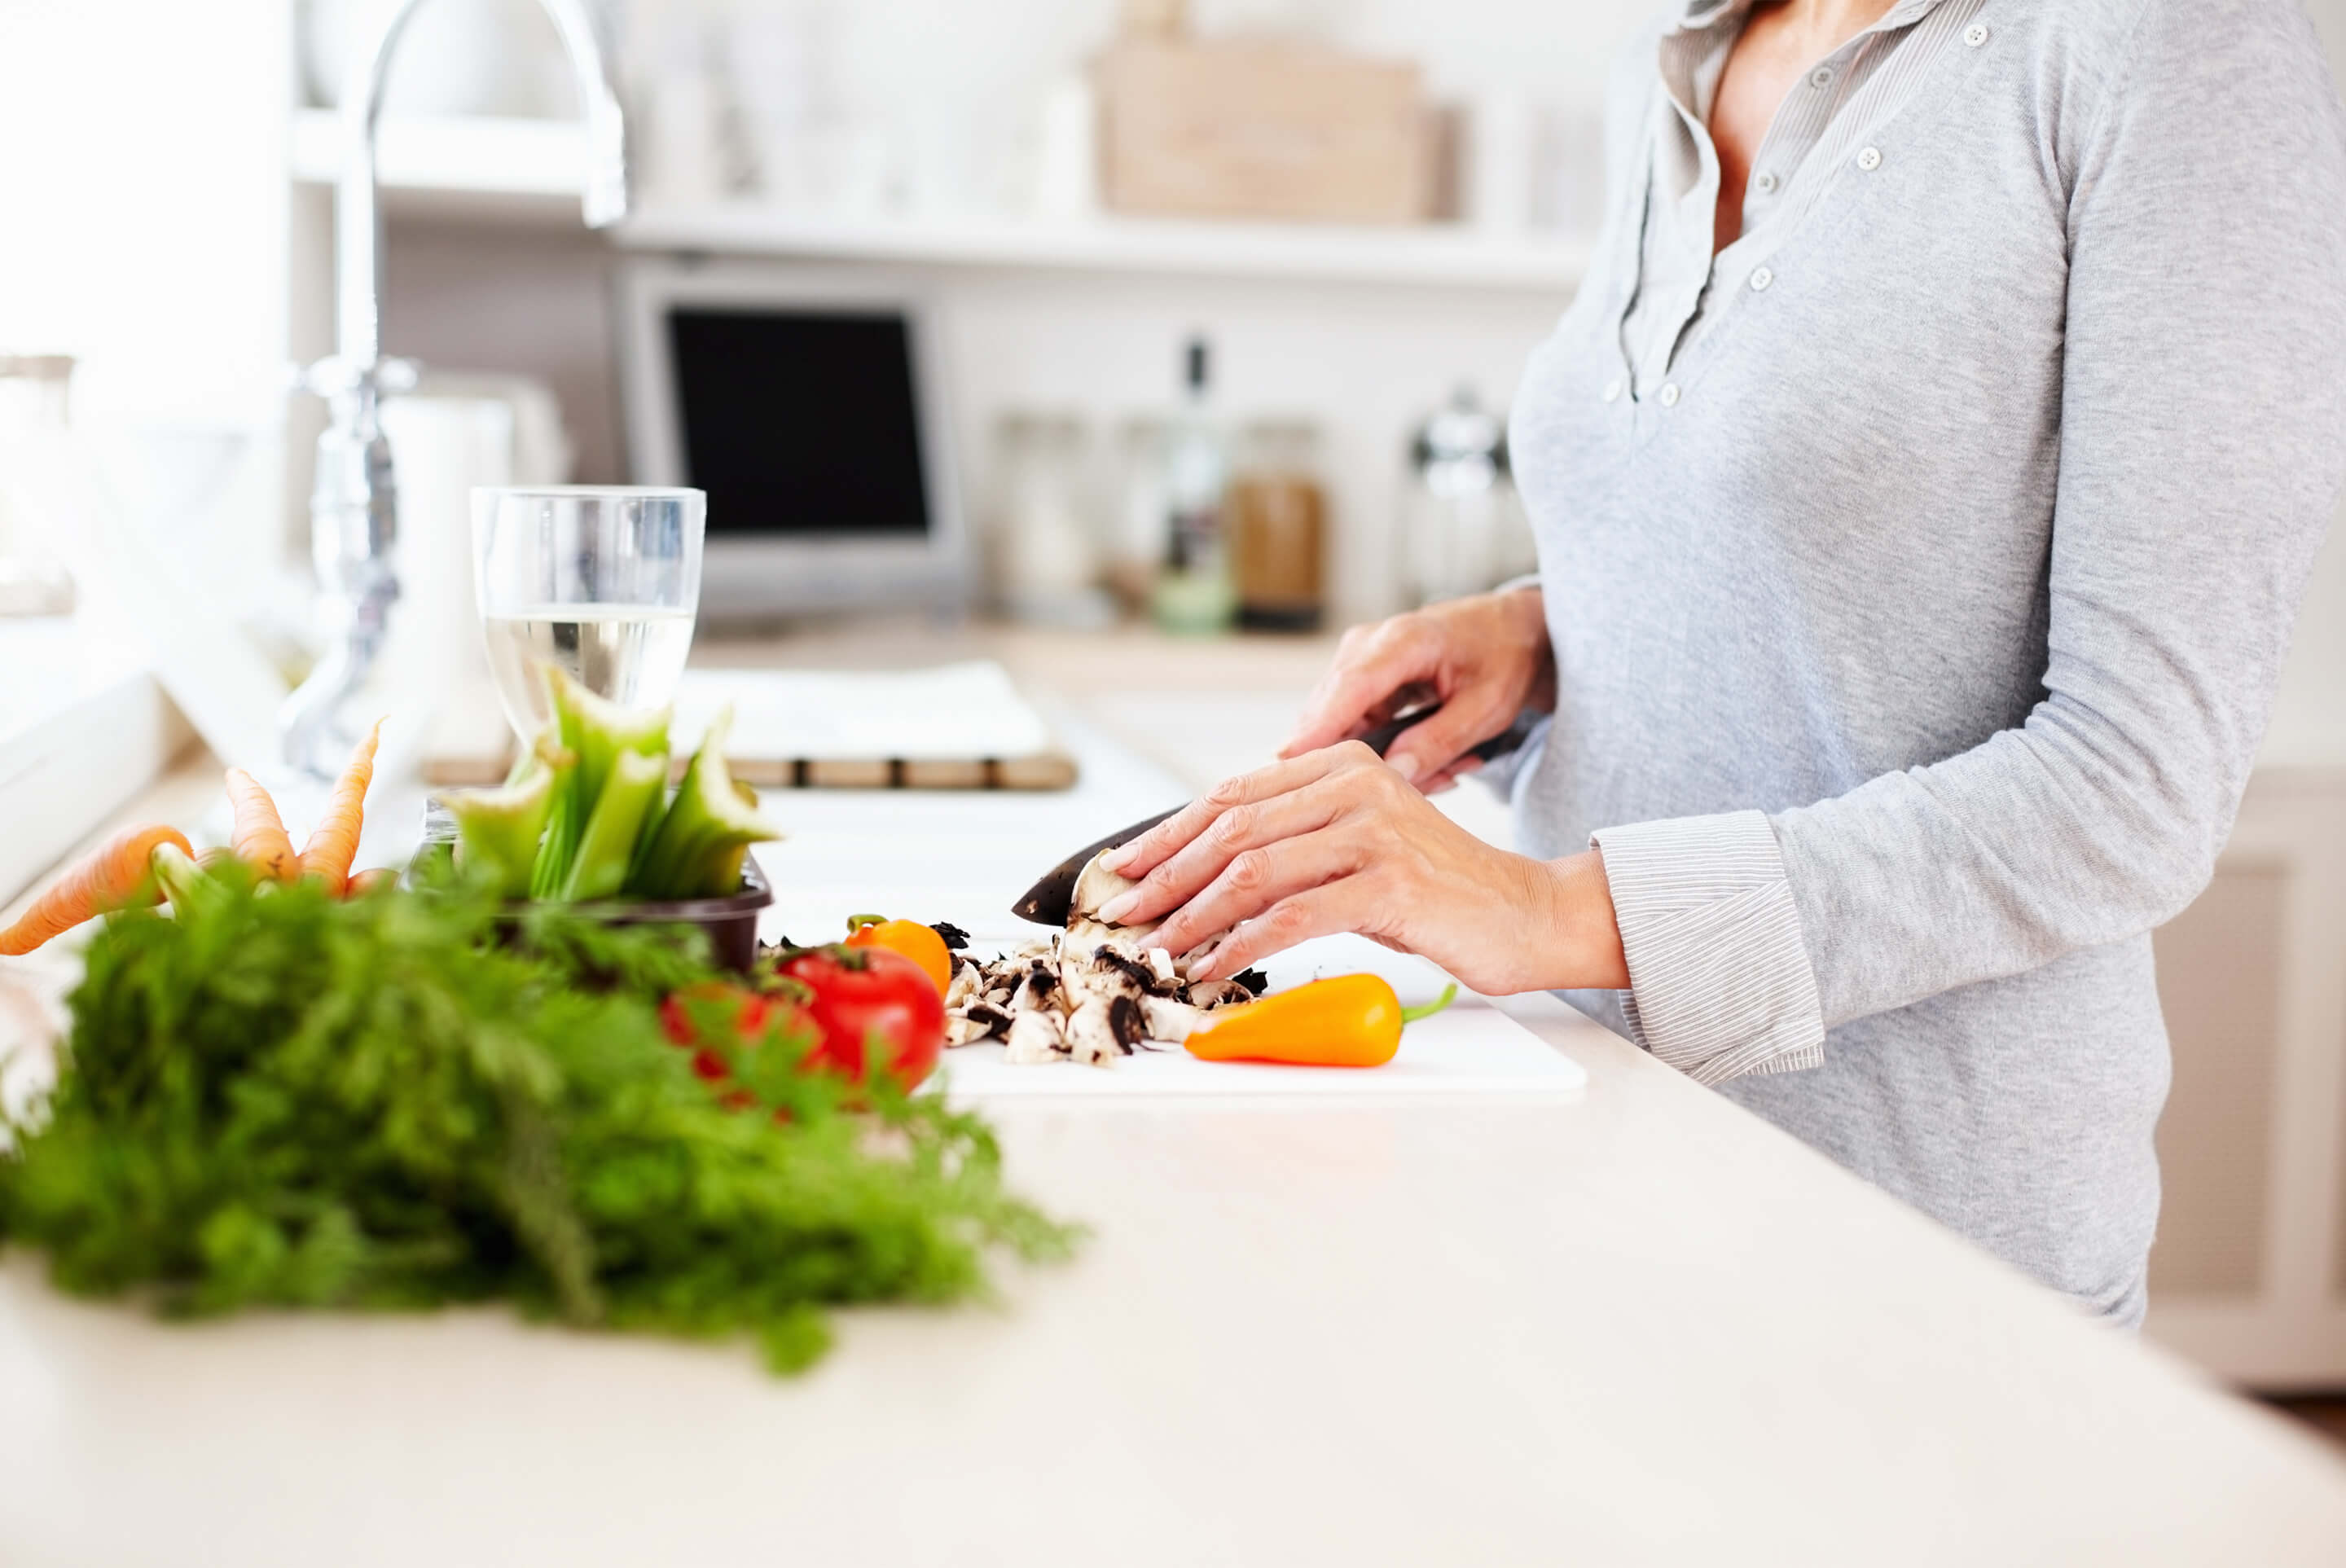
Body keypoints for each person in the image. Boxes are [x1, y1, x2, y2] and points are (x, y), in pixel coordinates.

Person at [1094, 0, 2346, 1325]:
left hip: (1902, 1253)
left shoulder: (2175, 42)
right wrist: (1542, 635)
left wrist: (1544, 913)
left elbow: (2135, 787)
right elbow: (1783, 525)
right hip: (1564, 1141)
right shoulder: (1683, 42)